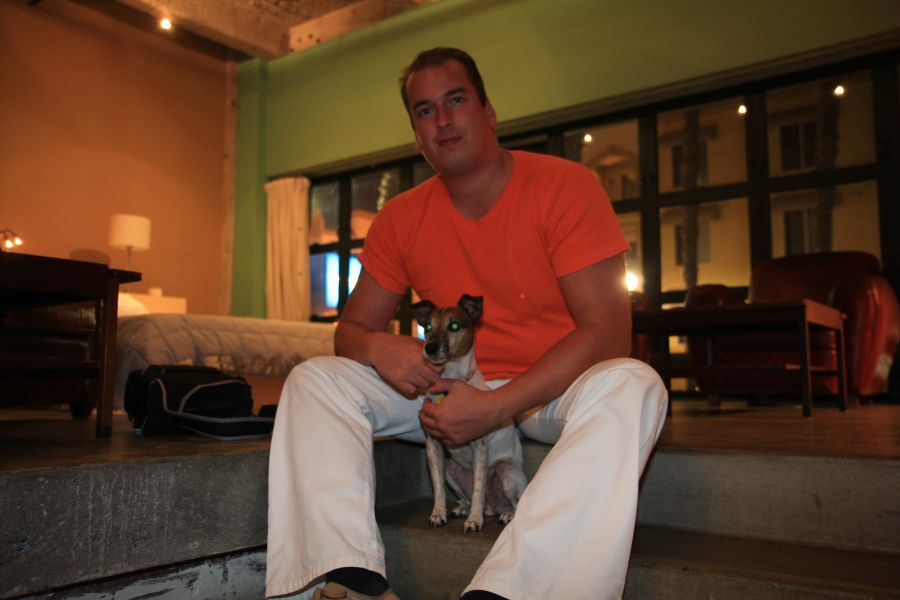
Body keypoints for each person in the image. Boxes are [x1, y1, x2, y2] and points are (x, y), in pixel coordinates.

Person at [266, 47, 667, 600]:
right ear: (417, 135)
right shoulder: (400, 218)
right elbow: (350, 331)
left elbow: (608, 332)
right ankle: (348, 580)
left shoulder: (565, 187)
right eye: (425, 110)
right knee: (314, 378)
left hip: (548, 392)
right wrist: (380, 348)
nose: (443, 120)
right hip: (444, 390)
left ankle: (511, 592)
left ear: (489, 111)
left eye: (455, 100)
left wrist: (496, 405)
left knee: (636, 383)